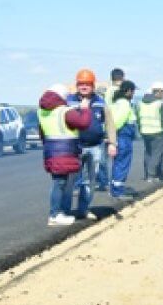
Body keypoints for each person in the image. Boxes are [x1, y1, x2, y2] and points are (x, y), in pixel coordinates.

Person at [39, 83, 93, 226]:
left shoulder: (43, 112)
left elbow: (42, 134)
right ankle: (55, 214)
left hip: (51, 152)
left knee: (58, 182)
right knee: (60, 183)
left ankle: (57, 213)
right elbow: (83, 123)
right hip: (65, 153)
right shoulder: (65, 111)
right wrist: (85, 109)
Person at [67, 69, 112, 219]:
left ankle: (83, 209)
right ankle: (65, 211)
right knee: (70, 180)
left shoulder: (100, 102)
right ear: (77, 85)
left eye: (87, 84)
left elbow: (110, 123)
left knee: (89, 180)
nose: (84, 87)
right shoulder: (69, 101)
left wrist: (112, 142)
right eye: (81, 84)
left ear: (93, 85)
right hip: (75, 147)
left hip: (95, 147)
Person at [108, 81, 138, 200]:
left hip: (119, 136)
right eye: (133, 91)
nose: (133, 94)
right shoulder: (125, 104)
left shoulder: (115, 103)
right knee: (122, 164)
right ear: (129, 91)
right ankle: (117, 191)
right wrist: (113, 134)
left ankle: (115, 188)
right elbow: (118, 121)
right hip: (123, 137)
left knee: (118, 163)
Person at [96, 67, 126, 189]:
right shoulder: (120, 92)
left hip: (104, 126)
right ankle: (113, 183)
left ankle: (102, 181)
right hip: (115, 126)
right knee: (117, 157)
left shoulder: (106, 92)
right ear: (122, 78)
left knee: (102, 157)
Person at [138, 82, 163, 181]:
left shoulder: (141, 103)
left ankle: (152, 173)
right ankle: (151, 175)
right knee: (157, 154)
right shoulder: (160, 103)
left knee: (148, 153)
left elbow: (139, 118)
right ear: (158, 91)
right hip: (157, 131)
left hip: (145, 131)